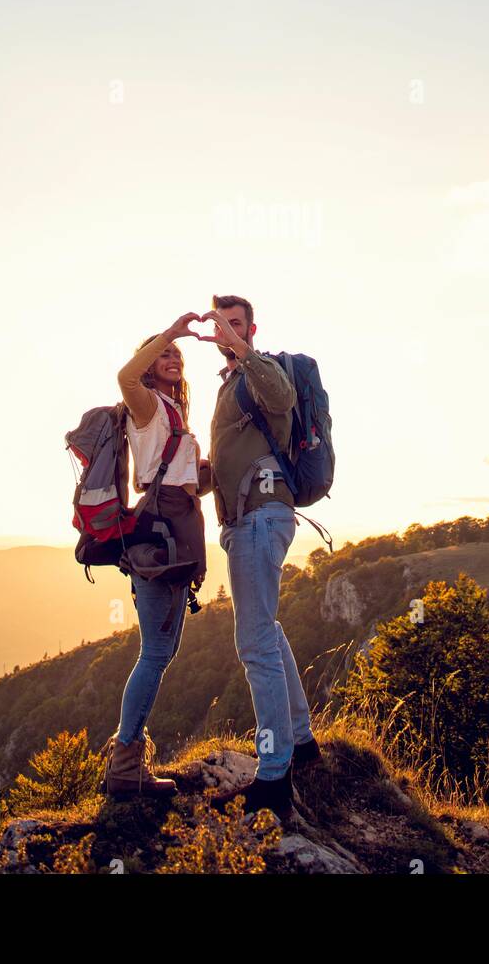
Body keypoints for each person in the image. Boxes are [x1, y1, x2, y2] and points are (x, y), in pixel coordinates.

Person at [202, 294, 319, 816]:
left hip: (258, 518)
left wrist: (243, 351)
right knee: (267, 631)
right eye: (219, 324)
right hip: (248, 519)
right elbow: (229, 461)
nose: (225, 332)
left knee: (253, 645)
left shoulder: (260, 371)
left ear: (251, 329)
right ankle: (302, 741)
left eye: (235, 325)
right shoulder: (230, 386)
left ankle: (274, 775)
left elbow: (282, 395)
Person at [101, 311, 211, 799]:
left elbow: (183, 479)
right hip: (162, 532)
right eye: (164, 354)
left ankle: (129, 757)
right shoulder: (144, 403)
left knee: (162, 652)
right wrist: (171, 331)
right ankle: (126, 761)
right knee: (155, 652)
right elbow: (124, 375)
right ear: (149, 364)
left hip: (179, 528)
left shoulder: (171, 411)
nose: (173, 358)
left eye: (178, 355)